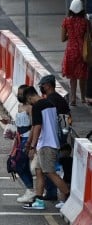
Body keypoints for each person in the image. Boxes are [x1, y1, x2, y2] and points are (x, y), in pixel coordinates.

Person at [24, 78, 70, 209]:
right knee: (39, 171)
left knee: (50, 172)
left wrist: (32, 146)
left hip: (46, 145)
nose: (29, 104)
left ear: (29, 97)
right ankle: (38, 201)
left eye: (28, 101)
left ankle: (68, 196)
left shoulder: (37, 106)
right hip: (48, 143)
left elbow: (37, 126)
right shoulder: (48, 103)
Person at [0, 84, 37, 203]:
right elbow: (19, 122)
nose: (19, 96)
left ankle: (31, 190)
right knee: (22, 165)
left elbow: (34, 125)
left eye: (21, 94)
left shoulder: (31, 108)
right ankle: (29, 190)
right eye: (18, 94)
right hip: (19, 139)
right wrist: (9, 122)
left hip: (26, 140)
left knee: (19, 165)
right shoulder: (20, 106)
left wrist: (31, 144)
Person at [60, 0, 89, 105]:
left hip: (71, 50)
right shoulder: (85, 22)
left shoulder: (66, 21)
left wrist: (71, 35)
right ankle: (82, 98)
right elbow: (90, 36)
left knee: (72, 76)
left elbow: (63, 38)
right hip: (82, 51)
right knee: (82, 75)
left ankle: (73, 98)